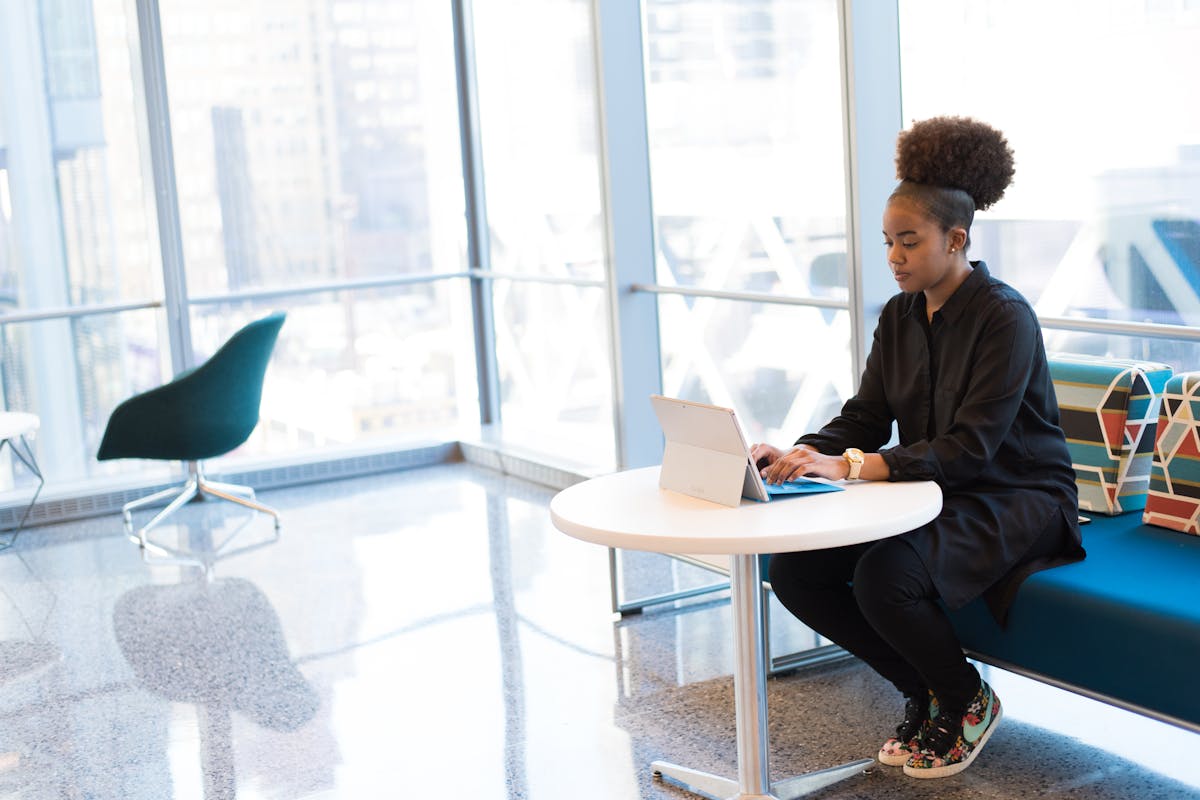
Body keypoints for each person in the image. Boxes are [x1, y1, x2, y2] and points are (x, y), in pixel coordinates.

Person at [751, 116, 1085, 780]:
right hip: (935, 489)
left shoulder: (1005, 318)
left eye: (909, 242)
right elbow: (868, 415)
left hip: (1020, 496)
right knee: (795, 570)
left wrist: (849, 467)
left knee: (885, 576)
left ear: (956, 239)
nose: (895, 257)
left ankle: (967, 699)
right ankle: (926, 692)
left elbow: (973, 448)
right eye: (888, 243)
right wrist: (795, 453)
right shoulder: (900, 317)